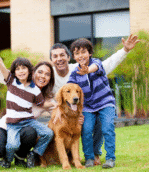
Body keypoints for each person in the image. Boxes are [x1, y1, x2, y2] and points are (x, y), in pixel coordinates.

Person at [0, 26, 139, 166]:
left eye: (62, 55)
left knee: (89, 120)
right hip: (7, 125)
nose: (43, 76)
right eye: (55, 57)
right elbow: (4, 74)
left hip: (29, 125)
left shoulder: (74, 72)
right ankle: (11, 154)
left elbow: (105, 65)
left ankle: (94, 154)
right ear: (50, 60)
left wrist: (124, 50)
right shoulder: (31, 81)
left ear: (68, 57)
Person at [49, 34, 139, 165]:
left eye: (84, 52)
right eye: (77, 53)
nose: (81, 55)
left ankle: (110, 158)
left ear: (90, 53)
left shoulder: (95, 63)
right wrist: (58, 108)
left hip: (104, 103)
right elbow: (65, 91)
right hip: (88, 107)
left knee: (107, 127)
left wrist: (87, 70)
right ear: (74, 56)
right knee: (85, 129)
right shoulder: (70, 74)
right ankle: (89, 158)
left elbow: (100, 66)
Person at [0, 33, 55, 168]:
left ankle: (33, 154)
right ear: (14, 72)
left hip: (28, 121)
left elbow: (41, 103)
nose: (21, 71)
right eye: (18, 69)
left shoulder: (35, 89)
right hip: (12, 123)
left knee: (48, 133)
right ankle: (7, 160)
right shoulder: (11, 81)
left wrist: (53, 104)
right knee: (13, 145)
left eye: (24, 68)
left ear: (30, 71)